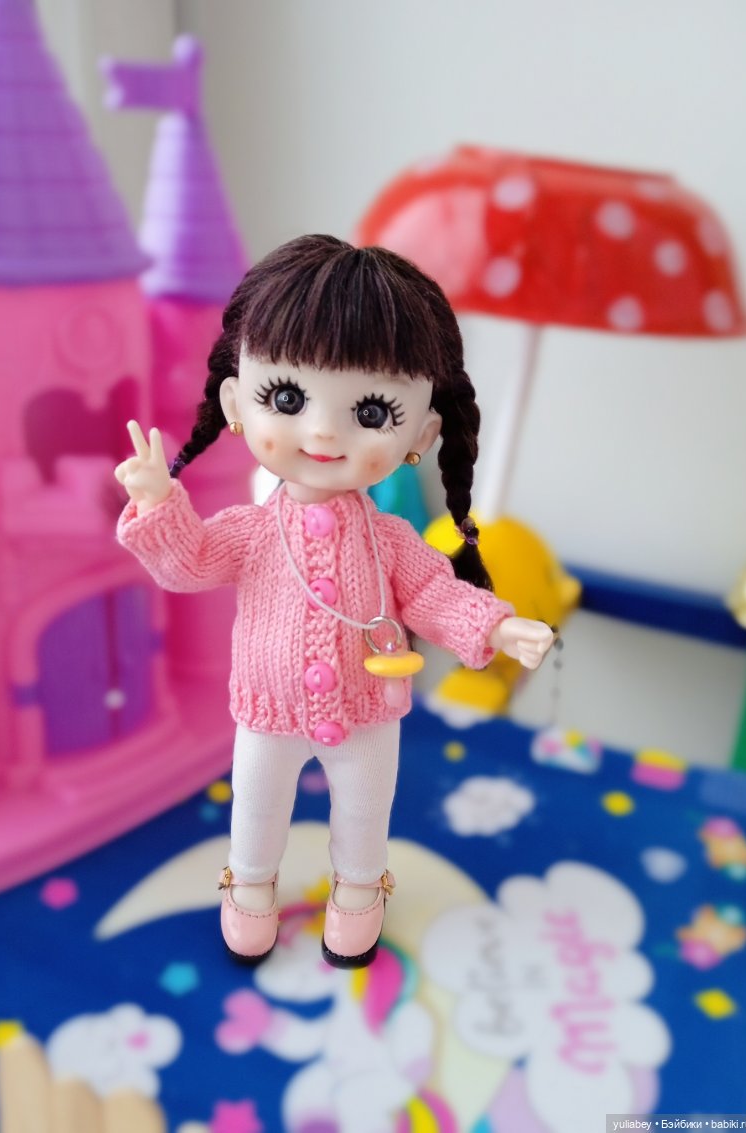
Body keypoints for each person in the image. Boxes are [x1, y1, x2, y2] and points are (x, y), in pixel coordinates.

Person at [115, 234, 554, 968]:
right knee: (257, 808)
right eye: (286, 399)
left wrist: (496, 626)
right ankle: (249, 886)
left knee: (364, 811)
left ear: (422, 433)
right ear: (236, 402)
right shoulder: (251, 531)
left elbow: (433, 593)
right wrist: (161, 503)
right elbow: (188, 562)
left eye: (372, 410)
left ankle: (358, 892)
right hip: (266, 708)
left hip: (368, 710)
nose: (321, 430)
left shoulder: (389, 539)